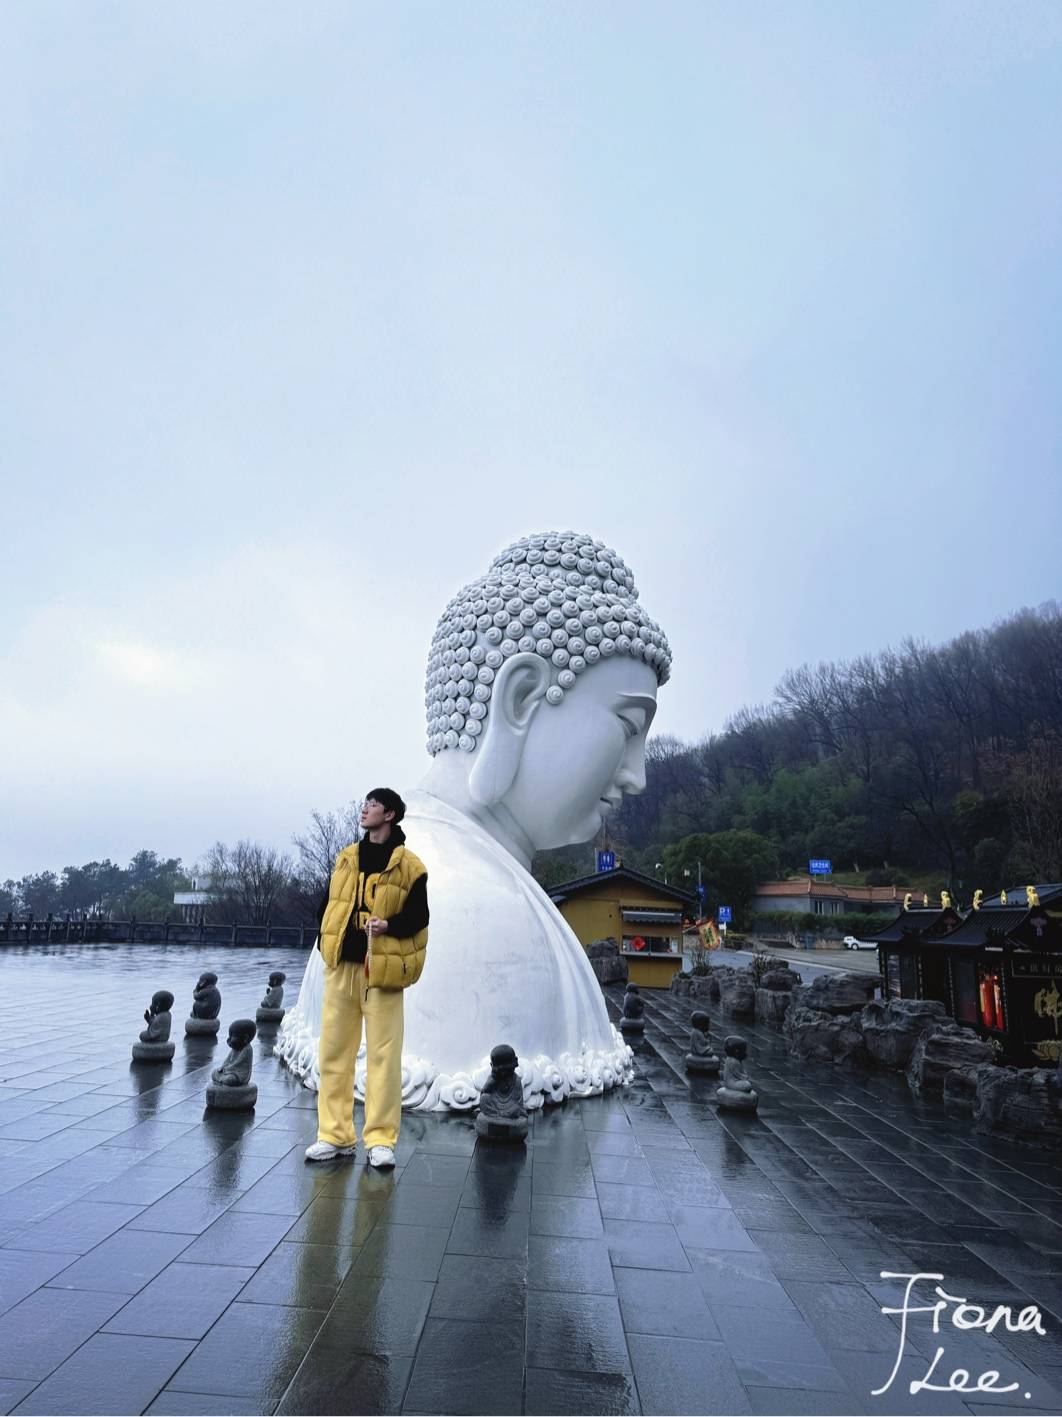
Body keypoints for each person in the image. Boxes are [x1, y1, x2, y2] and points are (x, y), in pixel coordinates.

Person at [304, 788, 429, 1168]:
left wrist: (388, 925)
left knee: (383, 1057)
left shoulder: (410, 866)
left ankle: (380, 1139)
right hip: (342, 967)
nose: (364, 810)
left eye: (372, 805)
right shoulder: (346, 858)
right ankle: (335, 1135)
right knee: (333, 1053)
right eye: (365, 804)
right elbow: (329, 905)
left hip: (382, 973)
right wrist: (326, 940)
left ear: (389, 814)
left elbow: (420, 917)